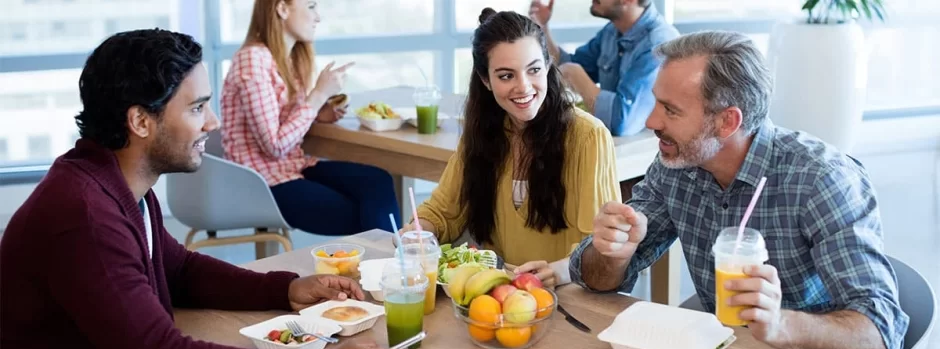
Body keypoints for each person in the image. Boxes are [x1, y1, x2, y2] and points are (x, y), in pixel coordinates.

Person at [0, 29, 407, 349]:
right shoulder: (84, 216)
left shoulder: (116, 185)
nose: (213, 123)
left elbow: (179, 271)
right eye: (197, 107)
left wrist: (284, 288)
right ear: (140, 121)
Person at [569, 31, 909, 349]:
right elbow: (595, 281)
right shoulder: (677, 164)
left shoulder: (822, 179)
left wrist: (781, 325)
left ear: (727, 121)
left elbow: (881, 330)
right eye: (656, 101)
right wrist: (612, 254)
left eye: (670, 110)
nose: (651, 120)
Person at [400, 9, 621, 288]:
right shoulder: (481, 135)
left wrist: (560, 270)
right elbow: (444, 212)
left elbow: (600, 248)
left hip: (568, 300)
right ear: (485, 80)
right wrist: (419, 234)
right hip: (496, 296)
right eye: (506, 76)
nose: (524, 87)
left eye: (534, 70)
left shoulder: (589, 137)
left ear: (548, 65)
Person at [221, 0, 401, 235]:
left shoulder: (287, 59)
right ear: (282, 9)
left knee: (378, 181)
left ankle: (391, 265)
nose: (318, 17)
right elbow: (274, 146)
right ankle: (392, 266)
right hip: (263, 183)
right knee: (363, 215)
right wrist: (318, 95)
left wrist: (317, 112)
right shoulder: (252, 59)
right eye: (311, 6)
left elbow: (278, 121)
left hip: (293, 167)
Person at [530, 0, 678, 137]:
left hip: (644, 155)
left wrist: (575, 74)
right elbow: (566, 65)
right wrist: (542, 27)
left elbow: (621, 122)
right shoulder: (612, 31)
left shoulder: (657, 44)